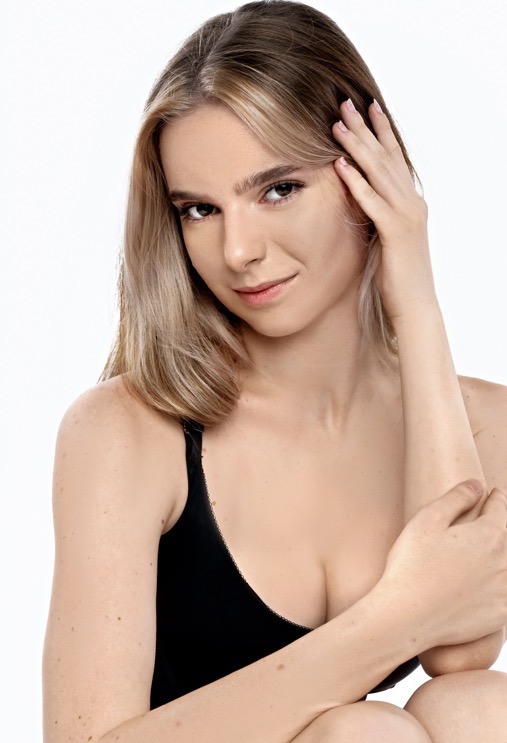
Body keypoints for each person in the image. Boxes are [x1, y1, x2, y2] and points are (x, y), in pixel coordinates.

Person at [42, 1, 507, 740]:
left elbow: (458, 650)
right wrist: (397, 618)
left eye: (277, 189)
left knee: (480, 705)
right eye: (199, 210)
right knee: (365, 735)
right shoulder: (126, 432)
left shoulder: (486, 422)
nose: (237, 251)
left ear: (368, 177)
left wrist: (416, 298)